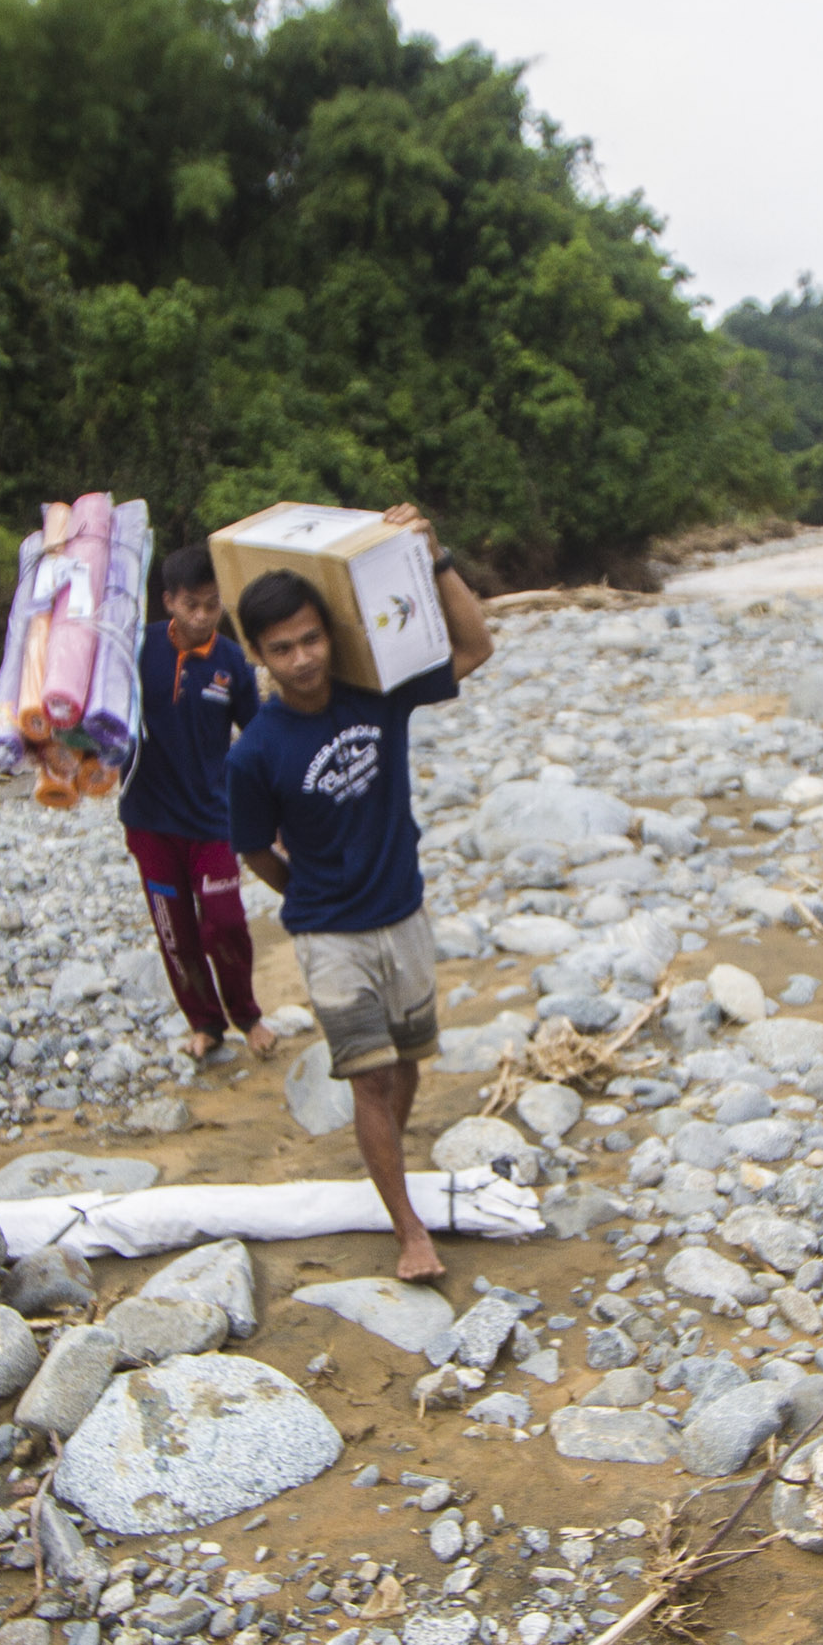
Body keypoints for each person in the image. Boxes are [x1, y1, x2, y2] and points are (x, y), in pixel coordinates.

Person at [225, 506, 495, 1283]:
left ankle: (385, 1162)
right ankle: (408, 1227)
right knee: (370, 1077)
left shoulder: (374, 693)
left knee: (406, 1064)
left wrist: (435, 559)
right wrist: (306, 891)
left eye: (312, 639)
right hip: (330, 935)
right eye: (283, 649)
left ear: (330, 633)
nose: (303, 659)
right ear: (260, 655)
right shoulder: (257, 753)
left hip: (403, 914)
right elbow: (252, 848)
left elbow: (475, 645)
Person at [118, 541, 275, 1067]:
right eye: (193, 606)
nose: (204, 616)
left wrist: (276, 808)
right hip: (149, 820)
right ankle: (204, 1023)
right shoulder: (133, 651)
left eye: (213, 604)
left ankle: (248, 1014)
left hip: (213, 819)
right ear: (169, 602)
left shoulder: (233, 662)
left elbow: (255, 739)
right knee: (176, 932)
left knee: (225, 922)